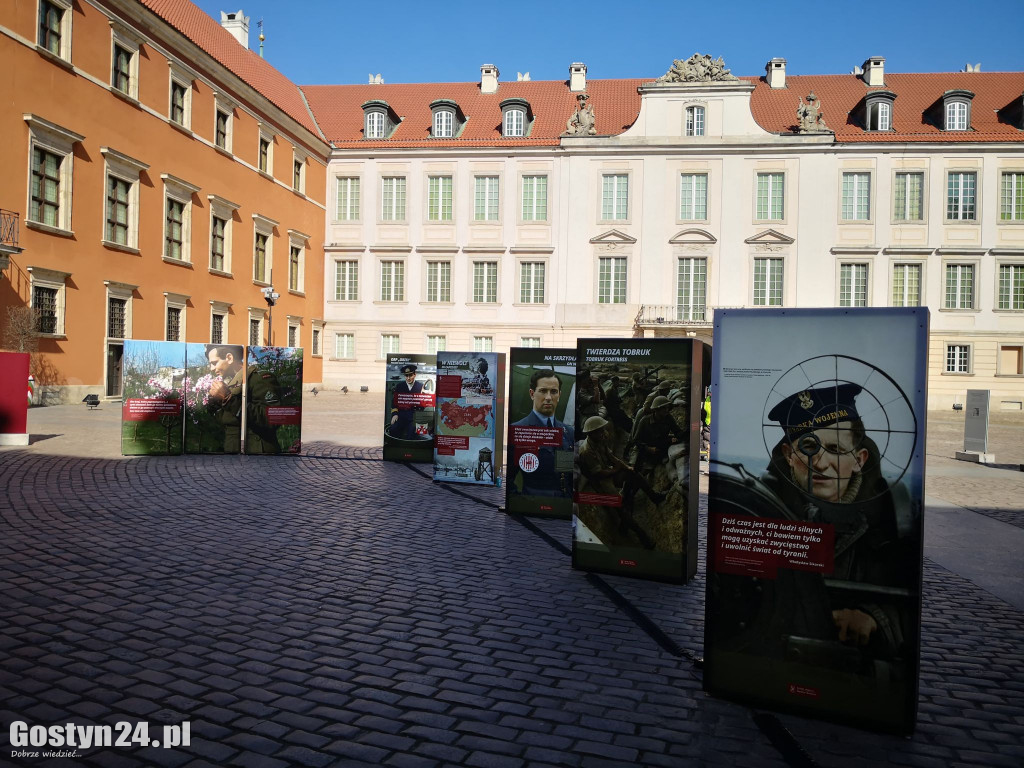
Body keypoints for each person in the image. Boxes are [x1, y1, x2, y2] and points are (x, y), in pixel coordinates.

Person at [711, 382, 917, 669]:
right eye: (808, 447)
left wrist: (874, 620)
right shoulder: (759, 508)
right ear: (788, 455)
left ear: (859, 459)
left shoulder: (891, 517)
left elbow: (911, 604)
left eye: (835, 449)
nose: (820, 463)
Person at [576, 415, 664, 549]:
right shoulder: (587, 451)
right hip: (600, 481)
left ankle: (654, 497)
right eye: (599, 430)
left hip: (608, 472)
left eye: (602, 430)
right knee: (620, 505)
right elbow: (598, 473)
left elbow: (611, 457)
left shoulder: (600, 439)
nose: (602, 432)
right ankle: (641, 535)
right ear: (591, 433)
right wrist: (616, 470)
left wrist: (625, 467)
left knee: (634, 475)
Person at [206, 345, 281, 454]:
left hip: (259, 453)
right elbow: (226, 420)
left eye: (214, 363)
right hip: (232, 450)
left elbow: (273, 419)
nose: (212, 368)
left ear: (229, 358)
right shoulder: (229, 383)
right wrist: (214, 402)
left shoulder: (258, 378)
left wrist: (228, 398)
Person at [510, 370, 574, 497]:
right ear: (532, 394)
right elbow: (509, 479)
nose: (549, 397)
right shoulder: (518, 430)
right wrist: (522, 503)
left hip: (562, 508)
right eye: (543, 391)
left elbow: (568, 476)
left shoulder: (568, 432)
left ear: (559, 395)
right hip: (533, 506)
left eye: (554, 392)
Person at [390, 364, 425, 440]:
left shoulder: (420, 387)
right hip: (401, 415)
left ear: (415, 375)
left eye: (410, 375)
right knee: (393, 430)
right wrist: (395, 414)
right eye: (406, 376)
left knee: (411, 434)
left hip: (413, 417)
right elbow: (394, 403)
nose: (408, 378)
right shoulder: (400, 386)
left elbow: (423, 406)